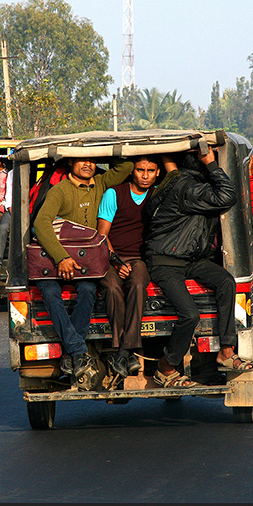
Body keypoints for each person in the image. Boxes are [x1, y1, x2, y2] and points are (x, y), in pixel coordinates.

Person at [143, 147, 253, 388]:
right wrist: (212, 164)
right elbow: (227, 196)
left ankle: (226, 350)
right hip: (165, 261)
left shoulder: (182, 181)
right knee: (190, 315)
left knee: (225, 281)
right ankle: (166, 367)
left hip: (188, 258)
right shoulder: (187, 187)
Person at [32, 155, 133, 386]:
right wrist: (62, 258)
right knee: (49, 293)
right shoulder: (60, 190)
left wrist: (102, 151)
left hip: (86, 263)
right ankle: (78, 351)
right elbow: (41, 223)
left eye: (91, 160)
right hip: (54, 260)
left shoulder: (100, 182)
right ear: (70, 163)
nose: (87, 164)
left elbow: (126, 166)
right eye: (81, 160)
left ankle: (72, 355)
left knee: (87, 291)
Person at [95, 155, 159, 380]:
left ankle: (123, 351)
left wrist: (128, 264)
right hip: (109, 256)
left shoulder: (157, 195)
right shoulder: (114, 193)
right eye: (141, 170)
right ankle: (127, 350)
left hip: (139, 258)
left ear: (157, 173)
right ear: (132, 171)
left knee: (139, 284)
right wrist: (115, 261)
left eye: (150, 171)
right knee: (111, 287)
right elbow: (102, 234)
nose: (145, 175)